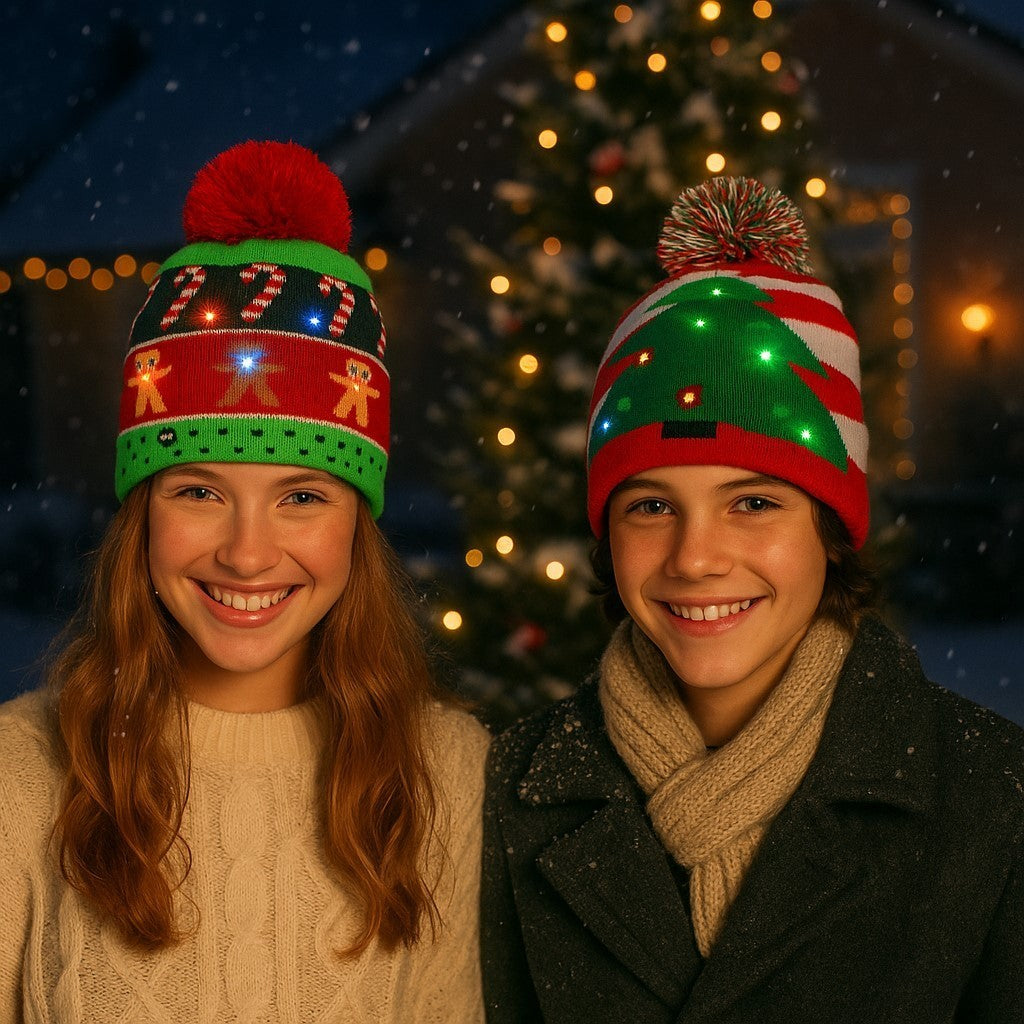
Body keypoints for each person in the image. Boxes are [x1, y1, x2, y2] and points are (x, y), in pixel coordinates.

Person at [481, 176, 1024, 1022]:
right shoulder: (509, 794)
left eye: (755, 503)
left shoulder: (991, 795)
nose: (696, 558)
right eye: (651, 507)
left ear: (830, 531)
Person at [0, 140, 489, 1023]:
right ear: (142, 513)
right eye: (199, 492)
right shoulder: (21, 772)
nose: (248, 554)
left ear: (357, 522)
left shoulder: (446, 772)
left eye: (302, 496)